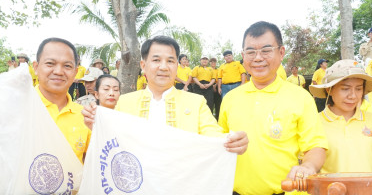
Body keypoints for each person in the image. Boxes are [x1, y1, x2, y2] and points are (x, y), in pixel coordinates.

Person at [218, 21, 328, 195]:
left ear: (281, 52)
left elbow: (316, 146)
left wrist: (308, 166)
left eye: (266, 50)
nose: (258, 58)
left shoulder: (300, 97)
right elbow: (219, 145)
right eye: (251, 52)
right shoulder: (230, 98)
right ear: (243, 55)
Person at [82, 35, 248, 154]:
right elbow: (111, 142)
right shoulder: (124, 102)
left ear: (177, 65)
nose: (163, 67)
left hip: (179, 192)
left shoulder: (196, 102)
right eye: (156, 60)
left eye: (170, 61)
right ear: (143, 65)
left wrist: (233, 142)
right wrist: (97, 127)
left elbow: (215, 138)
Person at [5, 37, 92, 195]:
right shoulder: (12, 108)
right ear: (36, 67)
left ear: (76, 72)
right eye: (50, 63)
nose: (58, 71)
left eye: (67, 66)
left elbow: (91, 167)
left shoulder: (85, 117)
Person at [282, 60, 372, 195]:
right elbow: (308, 163)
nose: (352, 95)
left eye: (358, 89)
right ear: (329, 90)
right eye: (345, 89)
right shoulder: (314, 122)